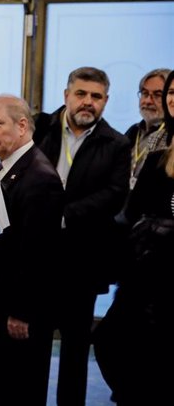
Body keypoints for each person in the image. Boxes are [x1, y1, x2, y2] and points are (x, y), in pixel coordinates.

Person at [34, 66, 130, 406]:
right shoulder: (38, 128)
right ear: (66, 96)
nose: (87, 102)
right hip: (37, 258)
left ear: (105, 101)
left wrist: (64, 215)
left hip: (82, 262)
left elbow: (115, 194)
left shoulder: (117, 143)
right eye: (81, 94)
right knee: (33, 347)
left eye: (96, 96)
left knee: (74, 351)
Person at [93, 71, 174, 406]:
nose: (167, 99)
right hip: (146, 273)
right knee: (112, 341)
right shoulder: (157, 156)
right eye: (170, 93)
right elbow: (129, 211)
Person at [0, 95, 64, 406]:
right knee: (4, 387)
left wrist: (21, 312)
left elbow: (37, 255)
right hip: (5, 305)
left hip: (22, 314)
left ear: (21, 126)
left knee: (21, 390)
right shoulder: (7, 169)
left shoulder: (39, 178)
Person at [124, 68, 171, 187]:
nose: (147, 101)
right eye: (144, 93)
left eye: (157, 95)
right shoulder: (133, 131)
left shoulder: (171, 136)